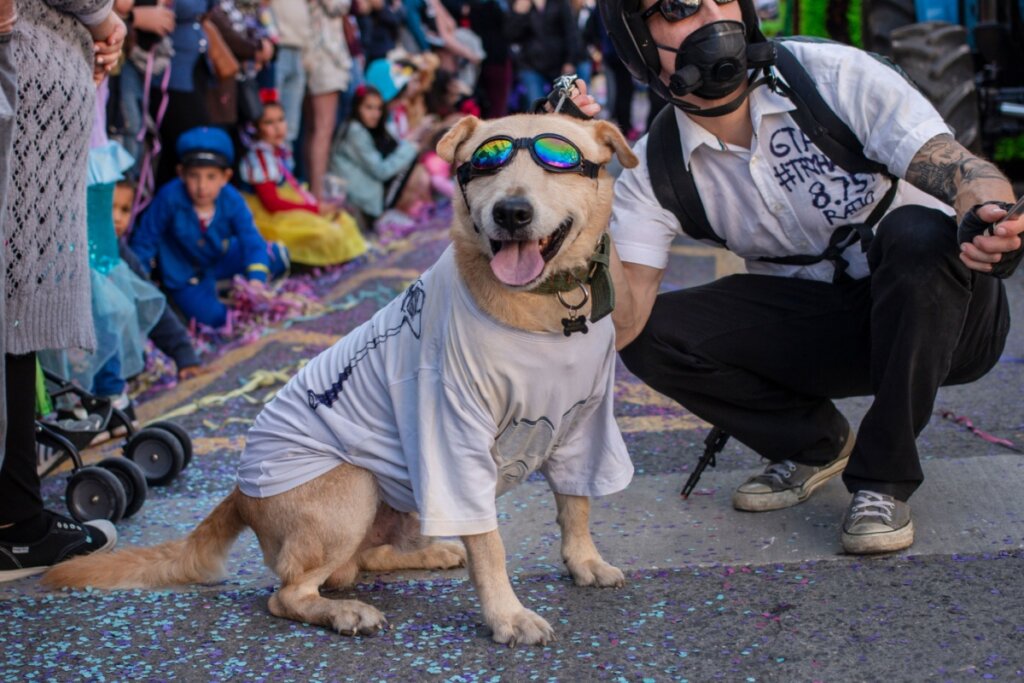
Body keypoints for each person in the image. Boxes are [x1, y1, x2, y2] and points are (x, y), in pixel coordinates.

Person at [586, 0, 1022, 554]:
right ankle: (814, 443)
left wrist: (989, 213)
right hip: (828, 329)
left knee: (916, 232)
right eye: (678, 7)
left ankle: (883, 481)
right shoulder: (654, 169)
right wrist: (583, 193)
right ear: (636, 40)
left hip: (946, 316)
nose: (711, 17)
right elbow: (624, 324)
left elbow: (960, 167)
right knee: (656, 335)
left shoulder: (834, 76)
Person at [1, 0, 125, 582]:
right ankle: (15, 522)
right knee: (13, 308)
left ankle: (16, 514)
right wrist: (101, 17)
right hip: (23, 68)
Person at [129, 127, 289, 329]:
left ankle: (225, 285)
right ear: (181, 174)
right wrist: (140, 287)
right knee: (218, 320)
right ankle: (207, 294)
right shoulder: (169, 197)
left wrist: (256, 281)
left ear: (226, 177)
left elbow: (252, 240)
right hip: (184, 273)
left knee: (277, 255)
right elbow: (144, 243)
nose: (202, 186)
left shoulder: (231, 199)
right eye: (194, 176)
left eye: (211, 177)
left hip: (218, 257)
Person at [239, 97, 369, 266]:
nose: (278, 128)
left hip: (287, 203)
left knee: (342, 219)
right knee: (322, 231)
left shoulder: (279, 150)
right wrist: (314, 209)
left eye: (281, 120)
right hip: (270, 215)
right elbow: (271, 203)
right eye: (269, 123)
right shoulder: (260, 158)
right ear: (256, 128)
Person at [113, 180, 204, 381]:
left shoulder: (119, 252)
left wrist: (184, 354)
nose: (117, 218)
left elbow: (149, 301)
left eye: (125, 210)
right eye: (109, 208)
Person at [328, 84, 433, 232]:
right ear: (357, 108)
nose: (375, 114)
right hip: (363, 200)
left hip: (368, 195)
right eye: (369, 108)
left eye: (378, 108)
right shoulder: (355, 131)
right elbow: (381, 171)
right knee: (414, 169)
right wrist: (411, 148)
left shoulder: (364, 129)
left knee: (418, 168)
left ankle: (419, 211)